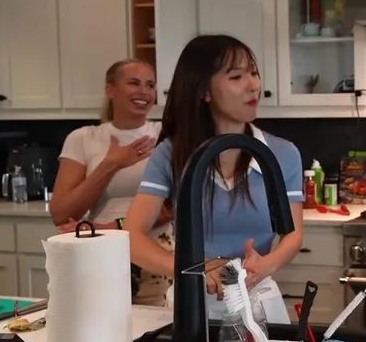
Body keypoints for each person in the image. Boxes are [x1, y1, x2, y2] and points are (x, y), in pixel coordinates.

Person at [125, 34, 305, 317]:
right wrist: (192, 267)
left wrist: (267, 264)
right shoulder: (172, 154)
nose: (254, 85)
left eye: (254, 73)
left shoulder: (282, 154)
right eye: (236, 77)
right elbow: (132, 236)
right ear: (204, 91)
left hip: (258, 300)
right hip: (193, 304)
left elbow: (292, 235)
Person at [51, 58, 173, 305]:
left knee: (156, 323)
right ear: (110, 90)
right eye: (134, 83)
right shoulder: (83, 138)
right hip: (99, 253)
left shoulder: (166, 135)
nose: (144, 92)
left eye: (150, 85)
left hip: (155, 252)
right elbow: (62, 214)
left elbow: (171, 208)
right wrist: (110, 164)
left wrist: (110, 227)